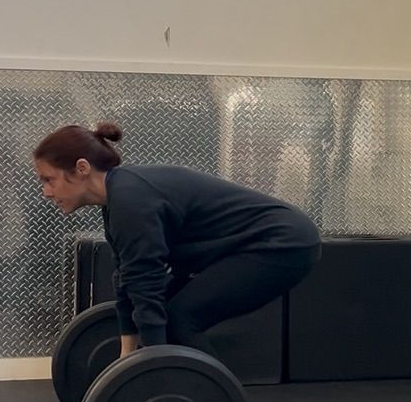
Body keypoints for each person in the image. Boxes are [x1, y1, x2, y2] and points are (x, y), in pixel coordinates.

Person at [34, 122, 321, 355]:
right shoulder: (116, 201)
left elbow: (146, 287)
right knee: (167, 313)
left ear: (82, 168)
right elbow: (128, 282)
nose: (46, 192)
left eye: (49, 180)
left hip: (281, 243)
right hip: (251, 245)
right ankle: (185, 390)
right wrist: (125, 362)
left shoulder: (131, 201)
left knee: (181, 318)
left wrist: (153, 369)